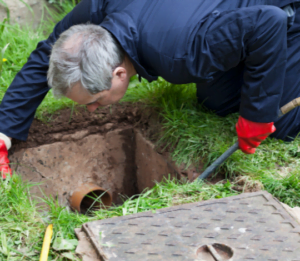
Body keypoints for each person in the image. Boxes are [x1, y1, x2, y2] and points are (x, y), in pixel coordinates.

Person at [1, 0, 300, 179]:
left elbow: (268, 23)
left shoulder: (179, 55)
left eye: (94, 100)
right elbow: (49, 53)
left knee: (281, 125)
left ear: (119, 74)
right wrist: (4, 130)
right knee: (218, 102)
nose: (91, 110)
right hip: (224, 12)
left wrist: (257, 115)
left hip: (284, 14)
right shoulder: (98, 9)